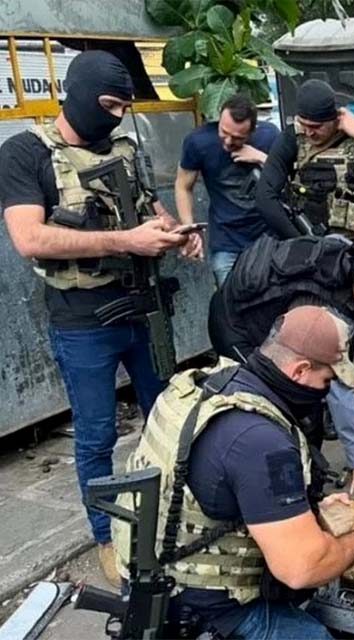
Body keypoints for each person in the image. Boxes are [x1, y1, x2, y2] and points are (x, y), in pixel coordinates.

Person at [0, 51, 202, 588]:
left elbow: (147, 206)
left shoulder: (125, 149)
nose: (116, 116)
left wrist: (171, 230)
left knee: (167, 418)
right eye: (110, 105)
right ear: (82, 94)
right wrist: (125, 240)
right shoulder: (25, 152)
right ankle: (107, 538)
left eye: (124, 107)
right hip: (82, 318)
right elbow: (29, 238)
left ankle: (169, 522)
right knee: (95, 435)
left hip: (144, 308)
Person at [113, 305, 354, 639]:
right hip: (200, 608)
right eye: (327, 379)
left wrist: (307, 512)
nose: (326, 390)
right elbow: (301, 568)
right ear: (301, 370)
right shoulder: (261, 442)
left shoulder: (207, 385)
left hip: (149, 578)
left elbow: (217, 486)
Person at [207, 233, 354, 501]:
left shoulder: (351, 256)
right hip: (237, 328)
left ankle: (309, 482)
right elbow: (341, 392)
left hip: (276, 320)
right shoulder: (324, 314)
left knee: (309, 406)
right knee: (276, 410)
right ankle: (275, 497)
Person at [256, 79, 354, 416]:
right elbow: (265, 196)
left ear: (334, 118)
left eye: (316, 127)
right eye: (304, 125)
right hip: (314, 254)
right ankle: (324, 402)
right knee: (324, 328)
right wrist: (302, 243)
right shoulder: (291, 139)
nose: (309, 133)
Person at [175, 93, 281, 285]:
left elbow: (289, 178)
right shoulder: (198, 142)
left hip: (268, 238)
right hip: (226, 240)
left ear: (252, 131)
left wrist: (261, 158)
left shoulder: (270, 136)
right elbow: (183, 186)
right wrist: (189, 228)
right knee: (229, 305)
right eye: (224, 132)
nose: (228, 142)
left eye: (238, 138)